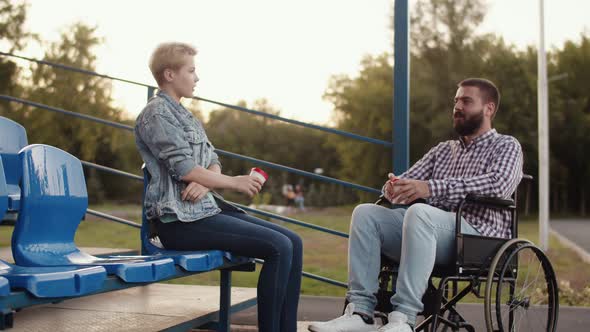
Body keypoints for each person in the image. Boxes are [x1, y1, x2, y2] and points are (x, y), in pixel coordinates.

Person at [308, 78, 523, 332]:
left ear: (488, 109)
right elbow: (409, 181)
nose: (457, 106)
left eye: (466, 101)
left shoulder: (507, 146)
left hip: (478, 237)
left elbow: (498, 184)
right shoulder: (443, 150)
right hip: (429, 232)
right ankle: (361, 314)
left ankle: (403, 319)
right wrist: (394, 187)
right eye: (456, 101)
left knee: (420, 213)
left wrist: (431, 188)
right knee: (366, 214)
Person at [134, 42, 302, 332]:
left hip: (203, 211)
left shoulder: (187, 116)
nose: (197, 78)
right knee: (278, 246)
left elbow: (211, 159)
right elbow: (184, 168)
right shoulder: (157, 114)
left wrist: (204, 180)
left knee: (294, 243)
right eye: (191, 70)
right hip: (178, 222)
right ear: (170, 75)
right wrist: (232, 182)